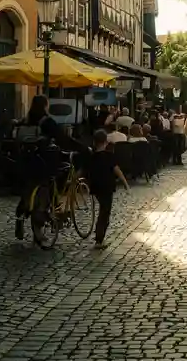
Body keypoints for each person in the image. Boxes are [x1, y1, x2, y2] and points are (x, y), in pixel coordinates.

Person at [14, 95, 87, 240]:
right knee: (50, 184)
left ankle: (20, 218)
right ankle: (42, 222)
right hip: (43, 163)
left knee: (28, 191)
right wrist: (82, 148)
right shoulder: (46, 122)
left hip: (25, 162)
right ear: (45, 106)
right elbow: (63, 139)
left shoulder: (25, 121)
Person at [87, 129, 129, 248]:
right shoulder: (109, 156)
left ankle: (99, 236)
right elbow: (117, 170)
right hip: (107, 186)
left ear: (94, 142)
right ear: (106, 142)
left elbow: (83, 170)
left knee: (103, 210)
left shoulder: (92, 157)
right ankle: (99, 239)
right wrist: (125, 183)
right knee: (105, 212)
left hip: (96, 187)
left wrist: (73, 180)